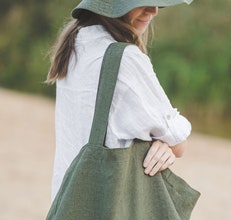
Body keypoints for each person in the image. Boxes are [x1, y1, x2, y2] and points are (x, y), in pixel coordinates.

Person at [47, 0, 194, 201]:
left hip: (66, 203)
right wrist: (164, 142)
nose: (154, 11)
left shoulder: (75, 43)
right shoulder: (125, 58)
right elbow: (179, 143)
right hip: (108, 209)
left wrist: (164, 141)